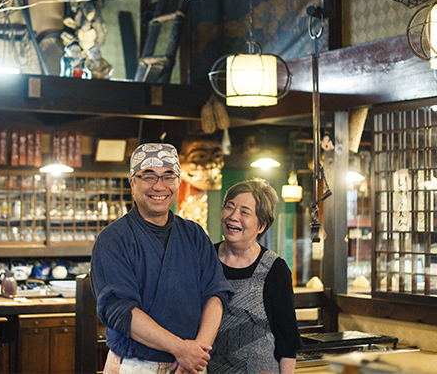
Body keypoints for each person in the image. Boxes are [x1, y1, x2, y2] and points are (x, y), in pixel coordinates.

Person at [91, 143, 234, 374]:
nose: (159, 186)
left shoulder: (195, 235)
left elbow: (216, 294)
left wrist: (197, 352)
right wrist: (181, 349)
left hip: (193, 364)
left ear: (178, 182)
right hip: (136, 364)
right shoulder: (113, 239)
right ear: (132, 184)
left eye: (169, 176)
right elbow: (120, 309)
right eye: (149, 176)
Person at [210, 178, 302, 374]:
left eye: (244, 212)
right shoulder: (205, 259)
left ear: (262, 225)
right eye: (229, 207)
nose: (233, 216)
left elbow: (288, 342)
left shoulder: (274, 269)